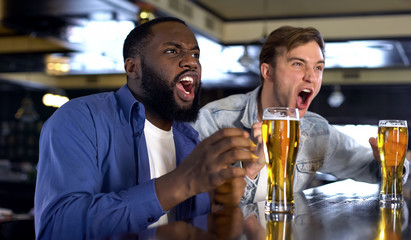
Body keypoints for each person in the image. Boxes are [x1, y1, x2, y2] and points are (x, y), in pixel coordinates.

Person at [34, 17, 257, 239]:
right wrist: (181, 182)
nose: (191, 62)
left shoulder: (189, 140)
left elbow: (195, 228)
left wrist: (225, 206)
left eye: (195, 54)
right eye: (172, 51)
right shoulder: (81, 118)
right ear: (133, 68)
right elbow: (57, 229)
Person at [192, 25, 409, 205]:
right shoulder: (214, 120)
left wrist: (391, 161)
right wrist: (252, 168)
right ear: (268, 72)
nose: (311, 77)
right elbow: (198, 205)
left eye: (318, 68)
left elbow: (371, 170)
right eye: (298, 64)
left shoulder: (316, 131)